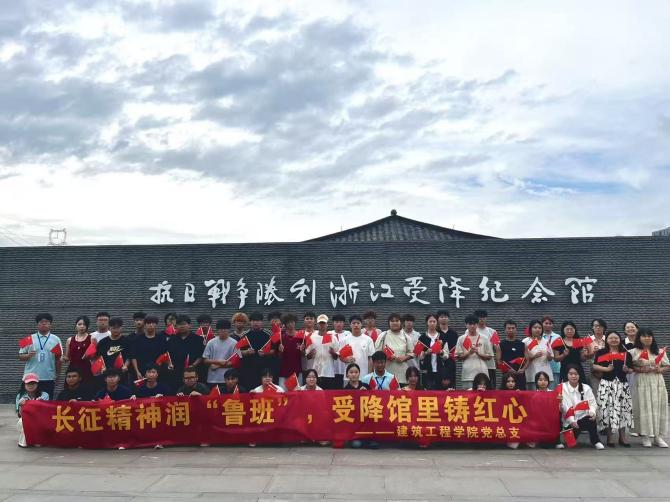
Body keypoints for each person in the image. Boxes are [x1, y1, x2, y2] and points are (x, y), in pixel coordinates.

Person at [592, 330, 633, 447]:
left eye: (616, 338)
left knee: (623, 410)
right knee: (608, 409)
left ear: (620, 339)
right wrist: (606, 369)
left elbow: (631, 369)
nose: (614, 340)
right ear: (607, 340)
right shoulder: (601, 352)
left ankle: (622, 437)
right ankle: (610, 437)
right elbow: (594, 366)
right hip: (607, 384)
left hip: (622, 385)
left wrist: (627, 370)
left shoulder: (626, 353)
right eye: (611, 338)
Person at [631, 328, 669, 447]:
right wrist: (641, 369)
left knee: (658, 407)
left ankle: (658, 437)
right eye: (644, 336)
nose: (647, 338)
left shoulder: (659, 351)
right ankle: (645, 436)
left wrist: (660, 369)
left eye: (649, 336)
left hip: (657, 382)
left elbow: (667, 366)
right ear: (639, 338)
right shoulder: (633, 351)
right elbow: (631, 367)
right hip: (641, 381)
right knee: (643, 407)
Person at [559, 365, 605, 450]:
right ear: (567, 375)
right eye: (571, 374)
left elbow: (592, 403)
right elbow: (566, 407)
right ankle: (568, 435)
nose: (573, 376)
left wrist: (592, 413)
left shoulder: (586, 387)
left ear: (579, 375)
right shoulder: (562, 387)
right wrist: (572, 421)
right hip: (569, 421)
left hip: (583, 419)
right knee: (570, 443)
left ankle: (595, 441)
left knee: (591, 418)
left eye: (576, 374)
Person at [19, 313, 63, 399]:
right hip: (30, 377)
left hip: (48, 377)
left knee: (47, 403)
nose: (44, 323)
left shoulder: (56, 339)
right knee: (28, 402)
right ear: (37, 324)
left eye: (46, 322)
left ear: (50, 324)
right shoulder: (27, 339)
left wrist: (58, 375)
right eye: (41, 322)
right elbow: (20, 356)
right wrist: (28, 355)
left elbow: (58, 359)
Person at [240, 312, 278, 390]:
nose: (255, 323)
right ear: (250, 322)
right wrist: (246, 352)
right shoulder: (244, 334)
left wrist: (266, 353)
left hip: (265, 367)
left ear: (262, 322)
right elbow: (238, 352)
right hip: (249, 367)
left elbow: (274, 350)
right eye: (253, 321)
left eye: (258, 321)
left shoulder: (269, 334)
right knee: (251, 390)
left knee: (265, 389)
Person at [167, 315, 205, 389]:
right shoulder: (172, 339)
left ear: (190, 325)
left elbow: (201, 356)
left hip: (193, 371)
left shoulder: (198, 339)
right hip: (176, 371)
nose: (182, 326)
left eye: (184, 324)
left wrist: (193, 365)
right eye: (179, 324)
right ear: (176, 326)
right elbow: (167, 355)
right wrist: (169, 364)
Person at [456, 314, 493, 390]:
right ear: (466, 325)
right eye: (470, 324)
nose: (472, 326)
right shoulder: (461, 339)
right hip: (467, 374)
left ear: (477, 324)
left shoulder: (484, 338)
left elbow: (489, 356)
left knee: (483, 396)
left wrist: (479, 353)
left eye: (474, 324)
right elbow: (458, 357)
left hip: (482, 374)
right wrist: (469, 353)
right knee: (467, 396)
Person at [375, 313, 414, 385]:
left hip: (402, 374)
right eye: (392, 321)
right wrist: (386, 356)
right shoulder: (383, 335)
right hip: (386, 373)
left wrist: (405, 358)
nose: (394, 323)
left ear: (401, 322)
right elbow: (377, 353)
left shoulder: (406, 336)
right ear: (388, 323)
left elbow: (412, 353)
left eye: (397, 321)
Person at [131, 315, 170, 383]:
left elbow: (166, 354)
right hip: (142, 371)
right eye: (148, 323)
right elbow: (133, 357)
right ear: (145, 325)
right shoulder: (137, 339)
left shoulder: (161, 339)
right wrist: (137, 371)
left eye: (153, 323)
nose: (151, 325)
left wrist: (169, 364)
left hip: (158, 372)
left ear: (156, 325)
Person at [95, 317, 132, 389]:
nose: (116, 330)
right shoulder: (103, 342)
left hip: (122, 372)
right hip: (107, 373)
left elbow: (129, 356)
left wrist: (126, 365)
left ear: (121, 328)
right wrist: (102, 367)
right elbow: (98, 356)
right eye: (113, 328)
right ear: (109, 328)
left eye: (118, 328)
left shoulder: (127, 340)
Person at [417, 313, 450, 390]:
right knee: (427, 392)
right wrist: (426, 353)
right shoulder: (422, 338)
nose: (432, 323)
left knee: (440, 392)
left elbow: (447, 355)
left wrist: (441, 352)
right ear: (427, 323)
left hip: (440, 369)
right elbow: (419, 355)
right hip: (426, 370)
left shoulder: (442, 336)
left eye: (434, 321)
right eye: (430, 321)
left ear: (437, 323)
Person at [304, 314, 338, 389]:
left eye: (324, 323)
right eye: (320, 323)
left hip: (329, 372)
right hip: (316, 373)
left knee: (328, 394)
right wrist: (310, 354)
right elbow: (307, 356)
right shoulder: (311, 337)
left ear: (327, 325)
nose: (322, 325)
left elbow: (336, 357)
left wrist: (333, 353)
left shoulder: (333, 337)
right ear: (317, 325)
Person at [202, 319, 238, 388]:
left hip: (229, 380)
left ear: (229, 330)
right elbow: (205, 360)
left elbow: (235, 362)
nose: (223, 331)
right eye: (221, 329)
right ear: (217, 330)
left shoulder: (234, 343)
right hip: (212, 379)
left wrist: (218, 366)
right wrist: (218, 361)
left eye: (225, 329)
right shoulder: (211, 342)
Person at [16, 373, 49, 447]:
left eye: (33, 383)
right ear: (24, 384)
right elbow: (20, 415)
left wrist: (42, 403)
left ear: (37, 384)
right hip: (25, 419)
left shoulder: (44, 395)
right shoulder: (20, 396)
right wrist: (21, 405)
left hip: (41, 419)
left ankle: (38, 438)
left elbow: (47, 412)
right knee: (23, 421)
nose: (30, 385)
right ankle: (23, 442)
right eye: (28, 383)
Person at [473, 309, 501, 388]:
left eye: (483, 317)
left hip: (489, 365)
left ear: (486, 318)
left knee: (490, 387)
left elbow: (497, 348)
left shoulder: (492, 332)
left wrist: (498, 361)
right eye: (479, 317)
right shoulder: (470, 331)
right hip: (475, 364)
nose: (481, 319)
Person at [523, 320, 554, 390]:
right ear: (530, 329)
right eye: (535, 327)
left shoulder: (545, 341)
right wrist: (534, 356)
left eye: (539, 328)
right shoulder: (525, 341)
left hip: (546, 372)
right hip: (532, 372)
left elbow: (550, 358)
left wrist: (549, 355)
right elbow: (523, 360)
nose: (537, 329)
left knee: (548, 394)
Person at [622, 320, 640, 436]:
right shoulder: (622, 343)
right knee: (629, 400)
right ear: (625, 330)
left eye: (632, 327)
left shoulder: (642, 342)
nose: (630, 329)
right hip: (628, 374)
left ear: (637, 329)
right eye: (627, 327)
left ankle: (642, 426)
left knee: (641, 400)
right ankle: (632, 427)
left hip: (641, 373)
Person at [498, 319, 527, 390]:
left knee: (521, 394)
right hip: (507, 375)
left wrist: (523, 369)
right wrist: (507, 369)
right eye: (509, 328)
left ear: (516, 329)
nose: (511, 330)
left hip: (520, 374)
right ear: (505, 330)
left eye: (513, 328)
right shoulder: (500, 345)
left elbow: (528, 359)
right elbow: (498, 361)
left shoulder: (522, 344)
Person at [63, 315, 93, 383]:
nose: (82, 326)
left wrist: (89, 356)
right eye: (79, 324)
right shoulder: (69, 340)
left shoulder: (92, 339)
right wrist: (62, 358)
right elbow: (67, 358)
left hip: (86, 368)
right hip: (72, 369)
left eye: (84, 324)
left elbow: (95, 356)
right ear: (76, 326)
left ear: (87, 326)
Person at [278, 314, 303, 388]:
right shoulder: (281, 338)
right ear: (285, 324)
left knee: (298, 393)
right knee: (283, 393)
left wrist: (302, 350)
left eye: (292, 322)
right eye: (288, 322)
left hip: (297, 370)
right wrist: (280, 351)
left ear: (295, 322)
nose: (290, 324)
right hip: (284, 371)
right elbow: (278, 356)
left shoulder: (301, 337)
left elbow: (304, 354)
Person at [436, 310, 459, 386]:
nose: (443, 318)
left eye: (445, 317)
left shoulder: (454, 334)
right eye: (441, 317)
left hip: (451, 364)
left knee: (451, 387)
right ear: (438, 319)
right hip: (437, 364)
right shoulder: (435, 333)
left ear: (448, 319)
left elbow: (457, 349)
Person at [330, 314, 351, 388]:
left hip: (344, 367)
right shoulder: (329, 334)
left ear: (344, 323)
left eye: (341, 322)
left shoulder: (348, 334)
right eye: (336, 322)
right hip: (332, 368)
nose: (338, 324)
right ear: (333, 323)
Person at [541, 315, 562, 388]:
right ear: (542, 324)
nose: (548, 325)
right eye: (546, 323)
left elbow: (560, 352)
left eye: (550, 323)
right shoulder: (539, 337)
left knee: (554, 389)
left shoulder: (557, 337)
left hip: (555, 367)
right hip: (542, 366)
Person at [589, 318, 608, 391]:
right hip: (594, 371)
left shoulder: (608, 339)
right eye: (596, 326)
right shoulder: (588, 339)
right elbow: (584, 357)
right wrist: (593, 352)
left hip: (608, 369)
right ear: (592, 327)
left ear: (604, 327)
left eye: (600, 326)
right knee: (595, 391)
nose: (598, 327)